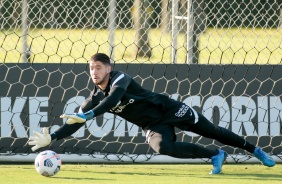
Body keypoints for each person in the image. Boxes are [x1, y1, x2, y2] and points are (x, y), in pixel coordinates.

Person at [29, 53, 275, 174]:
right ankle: (215, 155)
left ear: (108, 68)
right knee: (162, 148)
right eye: (91, 68)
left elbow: (114, 99)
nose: (94, 72)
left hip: (171, 110)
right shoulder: (92, 99)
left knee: (214, 131)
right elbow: (75, 122)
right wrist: (53, 138)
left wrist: (88, 115)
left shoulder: (120, 79)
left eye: (98, 68)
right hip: (152, 123)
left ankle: (255, 151)